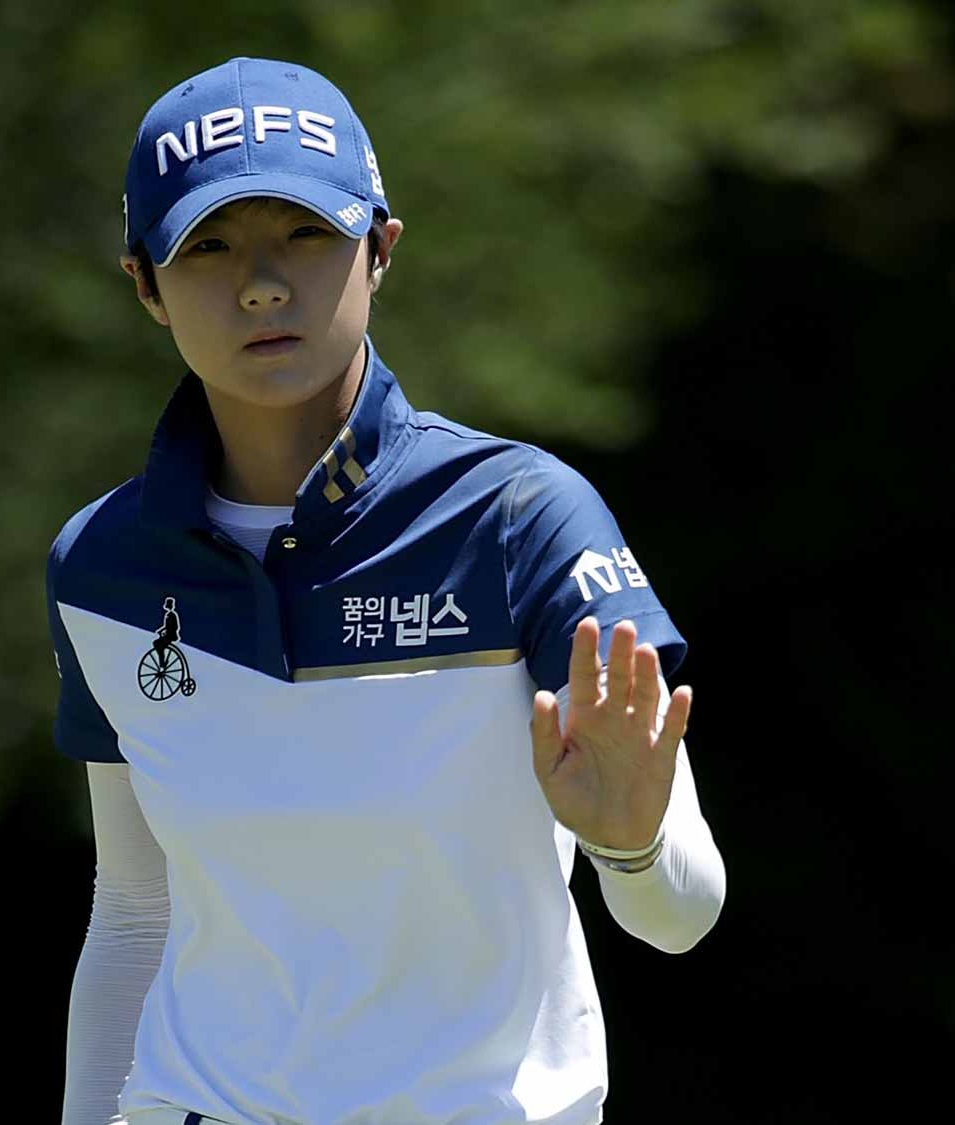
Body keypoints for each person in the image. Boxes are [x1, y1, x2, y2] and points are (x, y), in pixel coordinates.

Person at [47, 57, 726, 1125]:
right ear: (143, 283)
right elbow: (136, 914)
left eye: (305, 234)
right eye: (209, 245)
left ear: (379, 248)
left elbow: (677, 916)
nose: (262, 284)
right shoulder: (101, 568)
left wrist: (630, 844)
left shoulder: (519, 520)